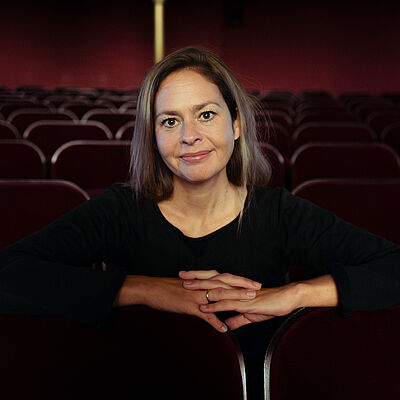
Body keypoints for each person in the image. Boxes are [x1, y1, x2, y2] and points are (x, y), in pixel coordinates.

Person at [1, 46, 400, 399]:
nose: (189, 136)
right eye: (170, 122)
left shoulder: (279, 212)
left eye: (206, 114)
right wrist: (140, 288)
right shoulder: (120, 210)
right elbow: (9, 274)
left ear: (237, 124)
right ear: (153, 137)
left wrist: (294, 296)